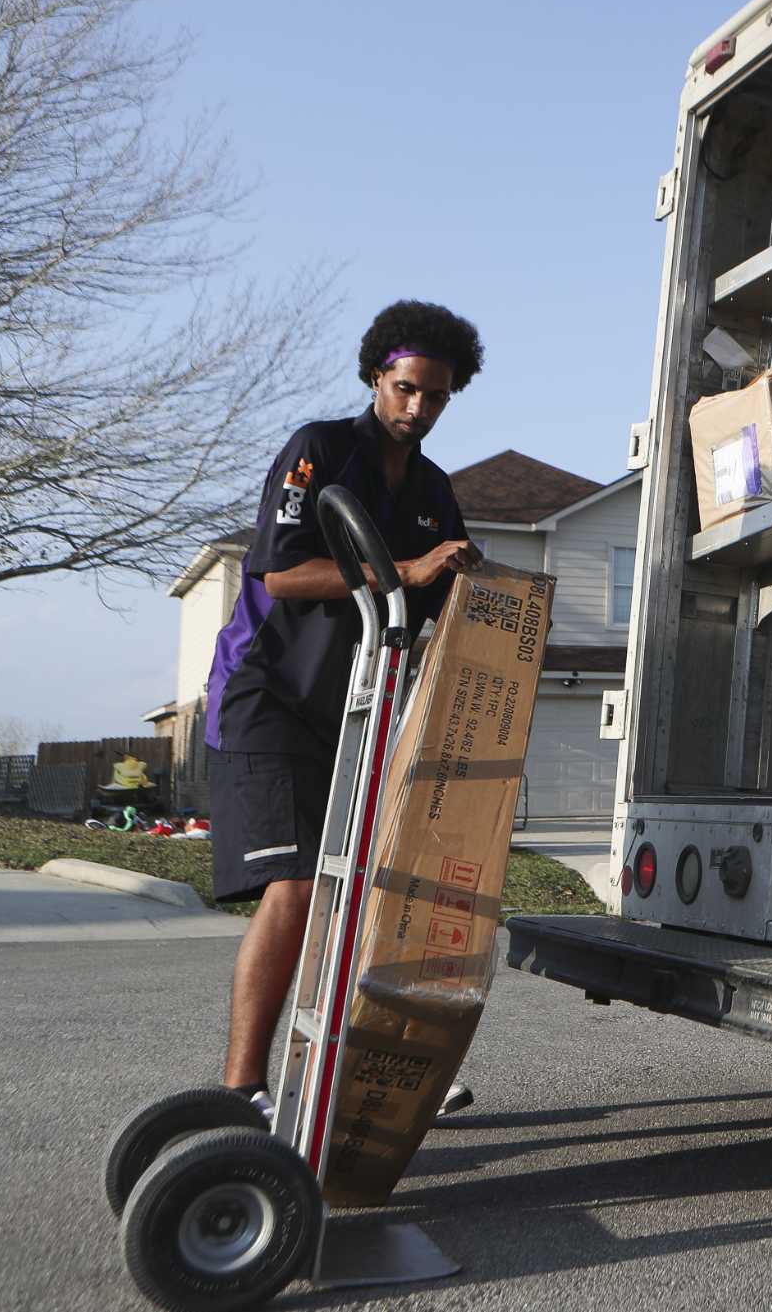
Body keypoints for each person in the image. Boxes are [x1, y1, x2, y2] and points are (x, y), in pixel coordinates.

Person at [203, 300, 485, 1121]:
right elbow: (281, 573)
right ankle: (243, 1091)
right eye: (405, 389)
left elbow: (443, 596)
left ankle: (346, 1071)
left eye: (435, 396)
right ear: (376, 377)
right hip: (268, 698)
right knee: (293, 886)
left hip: (358, 712)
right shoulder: (318, 451)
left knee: (355, 892)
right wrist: (411, 565)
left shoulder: (434, 491)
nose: (417, 408)